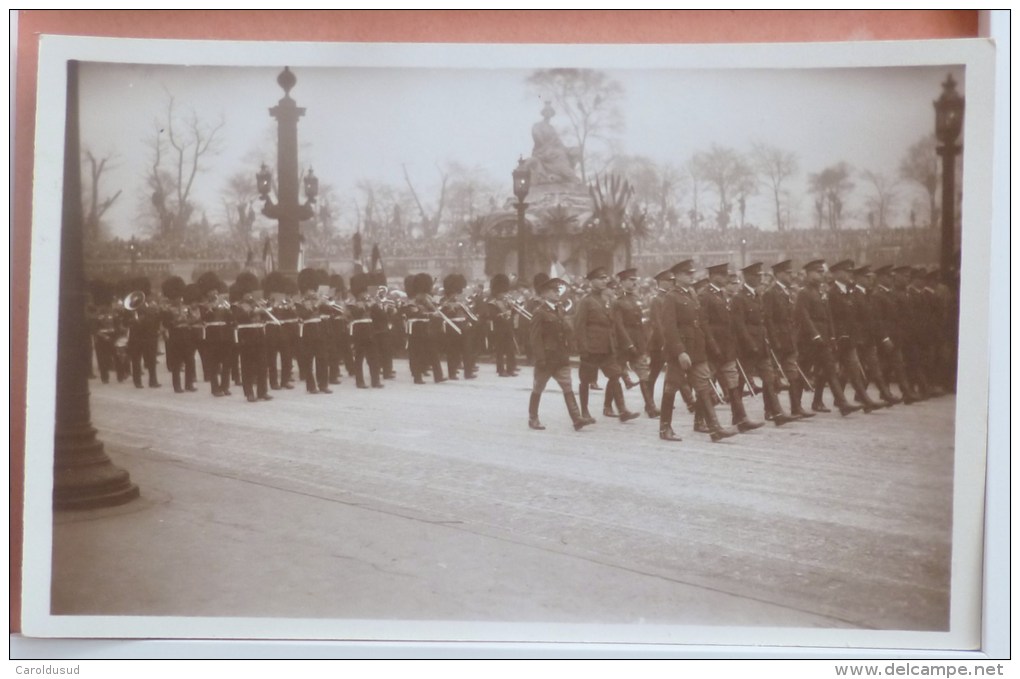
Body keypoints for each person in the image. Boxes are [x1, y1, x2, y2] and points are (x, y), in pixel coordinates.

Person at [658, 260, 737, 442]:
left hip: (697, 350)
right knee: (671, 387)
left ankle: (715, 428)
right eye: (687, 273)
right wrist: (680, 352)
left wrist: (707, 346)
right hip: (681, 352)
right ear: (676, 276)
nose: (691, 276)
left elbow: (699, 323)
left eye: (692, 273)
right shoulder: (671, 297)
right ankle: (665, 428)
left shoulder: (691, 295)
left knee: (704, 385)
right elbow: (668, 328)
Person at [699, 263, 763, 432]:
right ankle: (699, 421)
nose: (725, 278)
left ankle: (740, 418)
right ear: (712, 276)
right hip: (712, 347)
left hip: (726, 347)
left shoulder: (722, 294)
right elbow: (704, 324)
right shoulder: (705, 295)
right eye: (721, 275)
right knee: (706, 383)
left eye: (725, 274)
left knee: (732, 381)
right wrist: (712, 345)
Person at [795, 260, 862, 416]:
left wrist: (831, 336)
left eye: (821, 272)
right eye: (817, 272)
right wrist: (815, 334)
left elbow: (828, 317)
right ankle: (796, 405)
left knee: (830, 369)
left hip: (823, 338)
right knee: (803, 371)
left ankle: (842, 403)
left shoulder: (821, 292)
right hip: (808, 339)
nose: (820, 275)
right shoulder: (803, 293)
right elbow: (804, 317)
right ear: (809, 273)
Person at [732, 262, 794, 426]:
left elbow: (763, 322)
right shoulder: (739, 298)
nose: (760, 278)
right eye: (756, 275)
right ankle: (738, 415)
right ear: (747, 277)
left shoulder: (757, 296)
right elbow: (740, 326)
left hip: (762, 345)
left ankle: (777, 412)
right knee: (740, 382)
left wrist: (766, 340)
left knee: (769, 378)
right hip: (748, 348)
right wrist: (750, 344)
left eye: (760, 275)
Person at [574, 267, 638, 424]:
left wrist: (616, 343)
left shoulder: (607, 300)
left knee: (615, 375)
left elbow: (613, 324)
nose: (604, 281)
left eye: (605, 278)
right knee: (585, 380)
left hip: (607, 347)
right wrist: (583, 349)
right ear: (592, 281)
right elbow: (579, 326)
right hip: (592, 348)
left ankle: (622, 410)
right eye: (601, 278)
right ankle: (585, 412)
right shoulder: (586, 301)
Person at [528, 274, 588, 431]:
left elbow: (565, 331)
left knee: (567, 386)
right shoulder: (539, 312)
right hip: (546, 358)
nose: (557, 292)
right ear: (544, 293)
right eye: (553, 290)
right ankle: (533, 418)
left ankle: (577, 418)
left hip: (560, 356)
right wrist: (540, 358)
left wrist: (573, 343)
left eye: (557, 290)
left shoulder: (559, 309)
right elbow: (535, 338)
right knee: (538, 388)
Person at [827, 259, 882, 412]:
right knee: (827, 371)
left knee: (852, 368)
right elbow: (832, 317)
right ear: (837, 274)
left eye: (850, 271)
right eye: (846, 271)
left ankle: (860, 401)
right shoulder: (832, 293)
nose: (849, 274)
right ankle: (804, 402)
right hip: (837, 337)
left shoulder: (848, 291)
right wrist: (835, 336)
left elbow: (853, 316)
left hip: (849, 338)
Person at [762, 260, 814, 419]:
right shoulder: (770, 293)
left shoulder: (789, 292)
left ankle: (796, 407)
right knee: (771, 377)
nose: (791, 275)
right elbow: (768, 319)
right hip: (777, 340)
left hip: (789, 340)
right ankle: (769, 410)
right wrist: (773, 340)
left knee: (793, 374)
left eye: (791, 272)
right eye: (787, 273)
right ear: (778, 274)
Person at [611, 268, 659, 418]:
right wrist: (628, 344)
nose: (634, 283)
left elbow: (640, 323)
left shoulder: (635, 299)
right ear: (623, 282)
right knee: (616, 375)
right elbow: (618, 325)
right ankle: (622, 410)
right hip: (623, 343)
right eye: (631, 280)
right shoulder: (617, 301)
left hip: (638, 341)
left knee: (644, 374)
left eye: (634, 280)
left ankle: (651, 407)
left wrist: (643, 342)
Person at [231, 271, 272, 403]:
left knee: (262, 365)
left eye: (250, 293)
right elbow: (240, 317)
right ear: (242, 294)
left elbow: (265, 318)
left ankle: (262, 391)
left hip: (259, 336)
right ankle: (249, 392)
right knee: (247, 366)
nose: (249, 295)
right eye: (247, 293)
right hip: (246, 337)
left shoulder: (256, 304)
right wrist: (254, 311)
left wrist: (265, 309)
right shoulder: (236, 306)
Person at [295, 267, 332, 394]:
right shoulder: (299, 302)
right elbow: (304, 315)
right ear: (304, 290)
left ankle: (323, 384)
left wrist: (324, 303)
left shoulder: (318, 299)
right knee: (308, 360)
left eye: (312, 289)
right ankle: (311, 386)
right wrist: (316, 304)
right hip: (307, 331)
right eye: (309, 289)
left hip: (319, 330)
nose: (311, 292)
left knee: (323, 358)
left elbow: (329, 312)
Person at [160, 275, 199, 394]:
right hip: (175, 335)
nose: (179, 299)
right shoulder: (166, 309)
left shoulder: (186, 308)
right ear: (172, 298)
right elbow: (166, 323)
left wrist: (191, 319)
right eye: (176, 297)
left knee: (190, 361)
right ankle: (177, 386)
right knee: (176, 362)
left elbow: (193, 319)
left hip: (186, 335)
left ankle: (189, 384)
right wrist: (176, 321)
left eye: (179, 297)